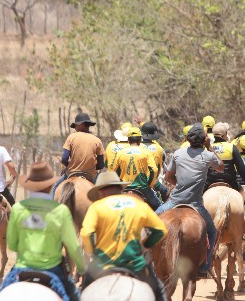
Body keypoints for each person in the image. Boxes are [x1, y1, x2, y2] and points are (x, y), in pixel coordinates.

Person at [0, 162, 84, 300]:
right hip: (53, 270)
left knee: (1, 292)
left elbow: (12, 244)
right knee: (75, 297)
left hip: (22, 268)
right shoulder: (61, 211)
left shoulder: (18, 208)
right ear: (50, 185)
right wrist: (81, 268)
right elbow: (73, 246)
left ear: (30, 185)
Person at [80, 171, 167, 301]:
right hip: (134, 265)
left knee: (82, 291)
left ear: (101, 192)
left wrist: (91, 253)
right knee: (159, 290)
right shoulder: (139, 205)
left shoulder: (96, 207)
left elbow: (86, 233)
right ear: (120, 188)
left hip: (102, 264)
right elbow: (160, 230)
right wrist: (145, 245)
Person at [156, 123, 224, 278]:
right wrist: (210, 147)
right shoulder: (208, 155)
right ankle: (204, 266)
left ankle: (149, 259)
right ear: (204, 140)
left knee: (151, 221)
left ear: (187, 139)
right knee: (212, 232)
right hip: (195, 204)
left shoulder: (178, 153)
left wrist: (179, 185)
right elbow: (221, 167)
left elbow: (168, 177)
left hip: (174, 201)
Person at [52, 113, 104, 195]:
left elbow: (64, 159)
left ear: (81, 124)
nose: (75, 128)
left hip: (72, 173)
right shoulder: (97, 140)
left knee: (55, 187)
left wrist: (69, 166)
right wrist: (90, 166)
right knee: (103, 191)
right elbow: (101, 165)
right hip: (91, 174)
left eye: (76, 125)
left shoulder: (71, 137)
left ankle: (52, 204)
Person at [114, 127, 160, 210]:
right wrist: (149, 184)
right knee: (160, 207)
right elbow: (154, 170)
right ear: (140, 140)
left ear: (128, 140)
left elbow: (114, 171)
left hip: (124, 188)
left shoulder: (120, 153)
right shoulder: (146, 152)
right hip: (142, 188)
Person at [140, 121, 170, 202]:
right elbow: (164, 165)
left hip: (137, 181)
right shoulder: (159, 148)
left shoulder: (137, 147)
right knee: (167, 195)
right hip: (154, 182)